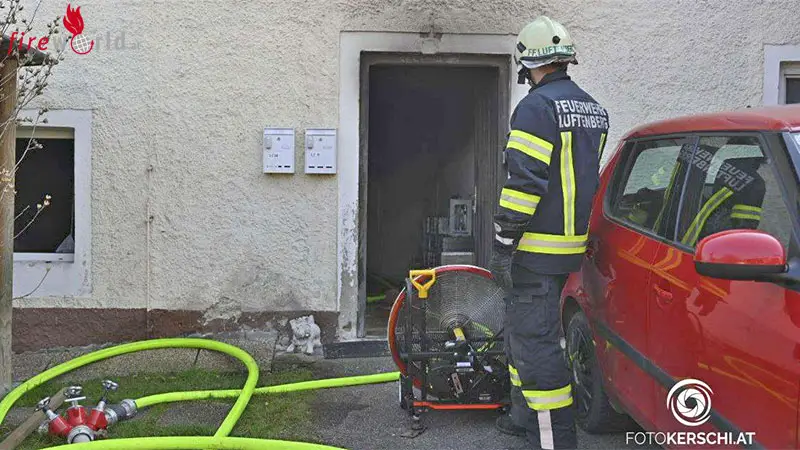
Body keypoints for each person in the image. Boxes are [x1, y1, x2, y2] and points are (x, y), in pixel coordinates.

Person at [489, 15, 610, 450]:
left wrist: (503, 243)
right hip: (569, 251)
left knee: (537, 345)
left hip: (535, 252)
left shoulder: (536, 108)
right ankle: (524, 417)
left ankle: (555, 439)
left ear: (527, 63)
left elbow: (524, 183)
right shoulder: (594, 108)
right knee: (527, 333)